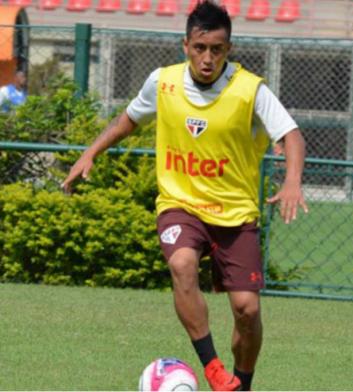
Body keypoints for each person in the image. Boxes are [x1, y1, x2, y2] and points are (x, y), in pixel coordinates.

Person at [62, 1, 308, 390]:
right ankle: (211, 368)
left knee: (246, 310)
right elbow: (129, 118)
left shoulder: (250, 90)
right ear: (185, 45)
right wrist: (90, 152)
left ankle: (241, 384)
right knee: (181, 265)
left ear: (229, 49)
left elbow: (291, 135)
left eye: (217, 49)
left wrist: (292, 180)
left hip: (235, 212)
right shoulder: (163, 81)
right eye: (199, 48)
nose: (207, 58)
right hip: (181, 205)